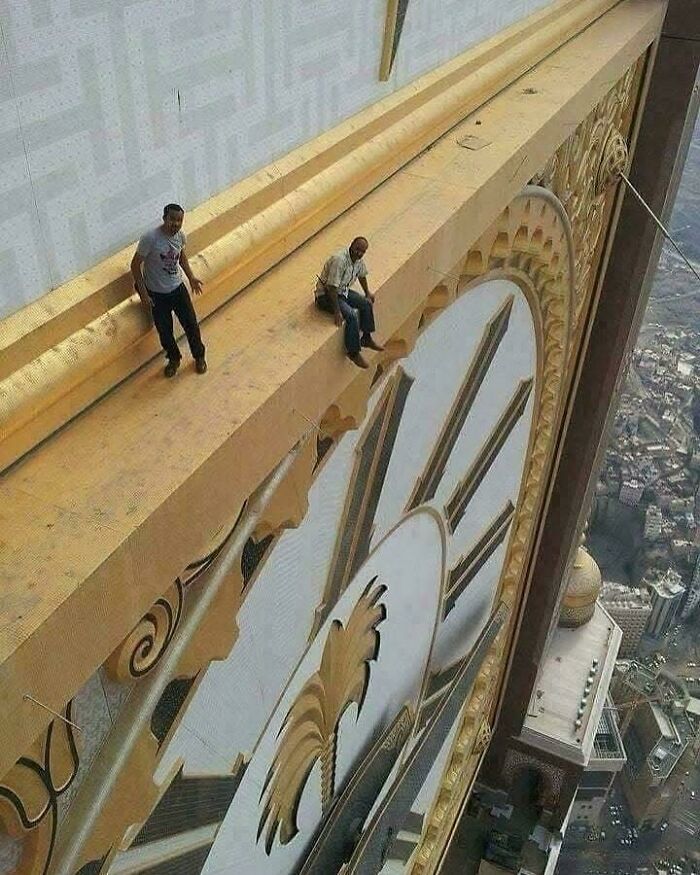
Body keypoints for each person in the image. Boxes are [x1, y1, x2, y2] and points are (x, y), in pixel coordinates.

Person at [131, 203, 207, 378]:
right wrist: (143, 293)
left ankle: (199, 356)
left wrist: (191, 278)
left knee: (191, 325)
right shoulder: (150, 239)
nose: (176, 223)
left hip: (178, 290)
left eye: (179, 220)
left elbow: (182, 258)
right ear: (164, 218)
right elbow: (135, 266)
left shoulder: (181, 236)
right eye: (172, 219)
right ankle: (174, 358)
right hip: (157, 295)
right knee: (165, 332)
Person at [315, 236, 383, 369]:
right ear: (351, 245)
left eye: (362, 251)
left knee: (366, 303)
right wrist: (337, 312)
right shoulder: (339, 260)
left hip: (342, 292)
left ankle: (366, 338)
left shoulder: (358, 260)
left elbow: (362, 275)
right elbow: (331, 288)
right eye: (357, 249)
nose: (359, 253)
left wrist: (367, 292)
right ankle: (353, 353)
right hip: (327, 295)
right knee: (351, 316)